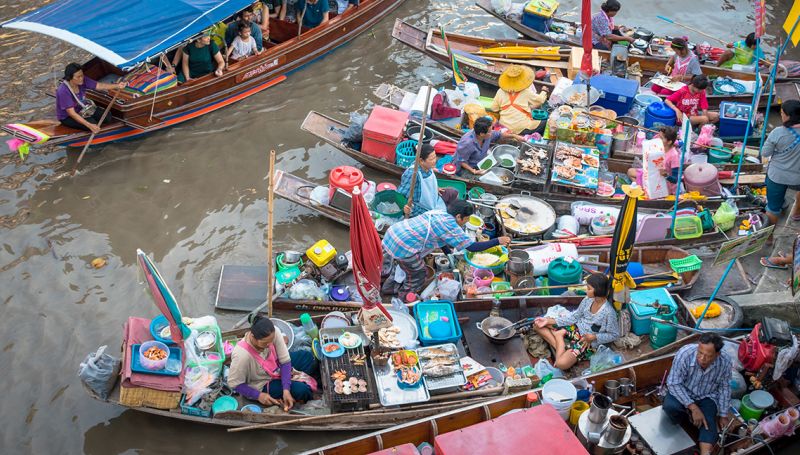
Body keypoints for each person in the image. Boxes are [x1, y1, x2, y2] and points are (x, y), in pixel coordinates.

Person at [381, 200, 511, 296]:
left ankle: (388, 288)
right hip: (402, 245)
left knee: (404, 266)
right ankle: (405, 297)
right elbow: (472, 247)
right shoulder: (450, 225)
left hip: (394, 233)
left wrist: (449, 255)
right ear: (458, 216)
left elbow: (441, 239)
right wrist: (497, 241)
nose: (466, 221)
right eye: (466, 219)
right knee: (418, 272)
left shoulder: (441, 212)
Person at [228, 316, 318, 411]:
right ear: (253, 337)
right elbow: (235, 384)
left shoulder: (273, 333)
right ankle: (305, 396)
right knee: (302, 390)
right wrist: (258, 395)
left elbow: (285, 361)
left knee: (307, 357)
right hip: (261, 382)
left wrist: (286, 389)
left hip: (276, 366)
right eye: (265, 343)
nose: (269, 345)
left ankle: (299, 385)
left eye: (271, 342)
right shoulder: (242, 355)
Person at [532, 273, 620, 370]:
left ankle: (560, 339)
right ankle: (562, 344)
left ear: (598, 290)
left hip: (586, 341)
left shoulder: (609, 312)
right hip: (575, 328)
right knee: (537, 325)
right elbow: (574, 317)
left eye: (589, 288)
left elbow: (614, 334)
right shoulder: (587, 300)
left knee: (561, 364)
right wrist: (547, 320)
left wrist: (594, 337)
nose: (586, 290)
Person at [663, 333, 731, 455]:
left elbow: (724, 387)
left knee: (709, 424)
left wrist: (723, 414)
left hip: (707, 396)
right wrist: (693, 408)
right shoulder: (685, 354)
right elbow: (673, 383)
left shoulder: (725, 362)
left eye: (708, 356)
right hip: (683, 391)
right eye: (700, 353)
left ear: (717, 354)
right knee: (670, 407)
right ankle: (686, 419)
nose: (702, 359)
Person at [56, 63, 126, 133]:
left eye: (82, 75)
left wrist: (117, 86)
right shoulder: (63, 91)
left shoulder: (83, 80)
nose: (81, 78)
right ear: (70, 78)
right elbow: (72, 113)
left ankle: (92, 122)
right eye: (78, 77)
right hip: (68, 117)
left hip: (83, 109)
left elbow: (99, 86)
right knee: (92, 123)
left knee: (107, 117)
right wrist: (90, 125)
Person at [761, 100, 800, 226]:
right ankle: (796, 214)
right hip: (798, 178)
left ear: (789, 116)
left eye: (782, 113)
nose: (781, 115)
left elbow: (765, 153)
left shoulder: (778, 132)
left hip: (777, 177)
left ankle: (769, 239)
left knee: (772, 208)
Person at [398, 144, 460, 217]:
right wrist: (407, 209)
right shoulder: (412, 174)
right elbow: (401, 196)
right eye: (431, 159)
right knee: (438, 218)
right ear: (421, 160)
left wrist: (435, 188)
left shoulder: (428, 166)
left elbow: (430, 182)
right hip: (421, 206)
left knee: (453, 192)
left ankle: (451, 213)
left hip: (432, 198)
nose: (435, 161)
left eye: (435, 157)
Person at [454, 117, 524, 176]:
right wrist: (473, 171)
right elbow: (461, 161)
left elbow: (499, 134)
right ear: (481, 134)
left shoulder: (487, 135)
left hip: (480, 161)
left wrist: (514, 136)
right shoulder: (467, 143)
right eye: (490, 131)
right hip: (467, 168)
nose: (492, 132)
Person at [489, 65, 548, 135]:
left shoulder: (500, 91)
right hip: (522, 128)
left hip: (504, 127)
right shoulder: (525, 91)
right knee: (546, 122)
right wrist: (544, 91)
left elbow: (494, 108)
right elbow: (540, 100)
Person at [626, 126, 681, 194]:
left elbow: (675, 180)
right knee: (630, 172)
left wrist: (666, 175)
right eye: (659, 135)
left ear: (669, 142)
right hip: (652, 174)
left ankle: (644, 189)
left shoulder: (674, 156)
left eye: (661, 138)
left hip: (663, 183)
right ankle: (642, 188)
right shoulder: (659, 144)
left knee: (651, 193)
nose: (658, 138)